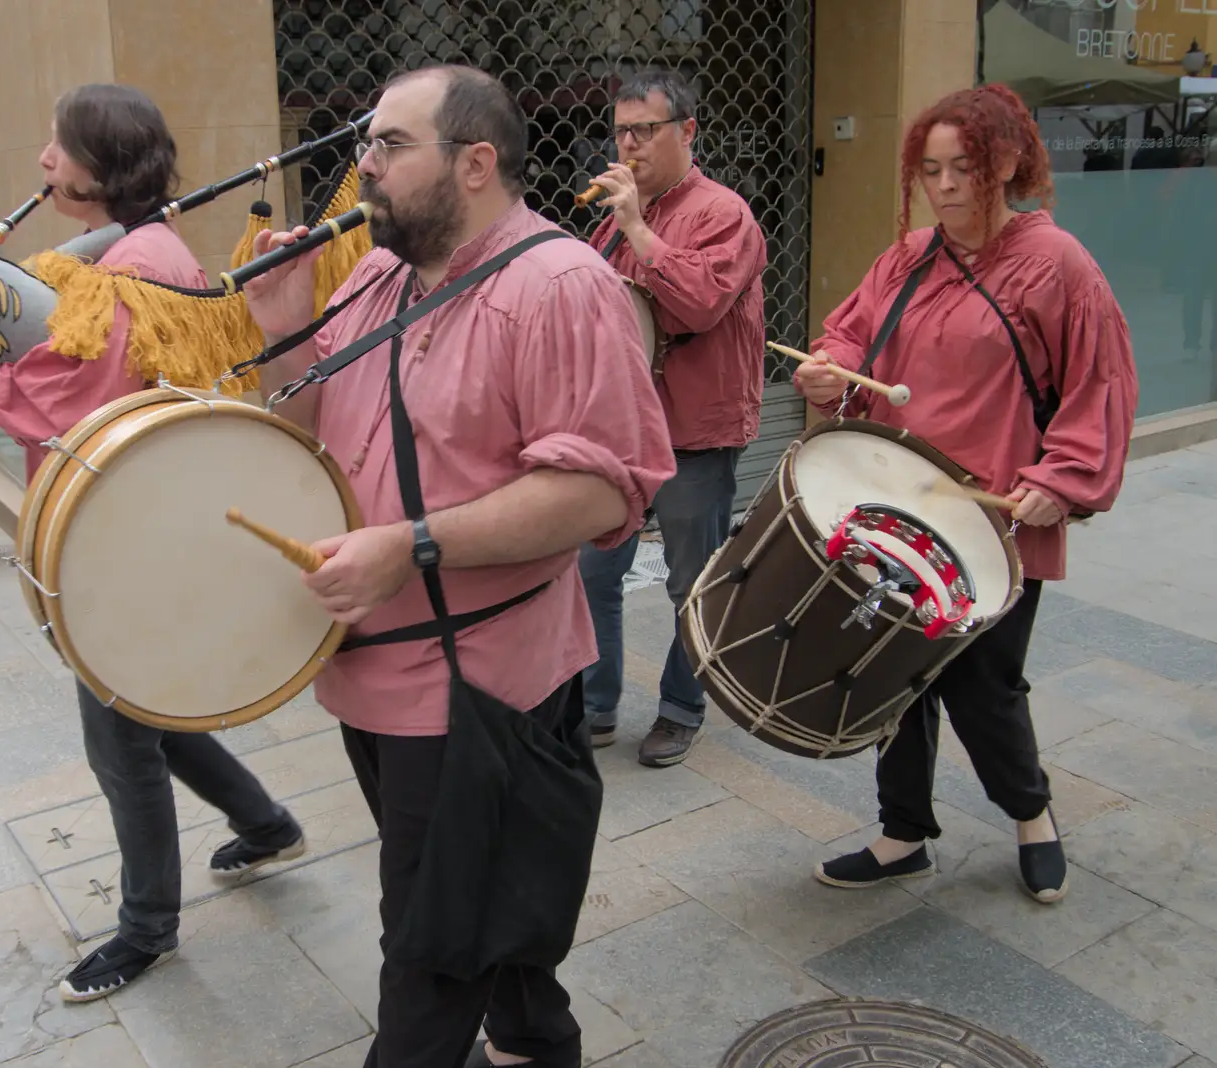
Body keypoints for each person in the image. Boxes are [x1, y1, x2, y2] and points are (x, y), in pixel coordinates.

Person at [243, 66, 674, 1068]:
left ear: (475, 163)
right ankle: (535, 1043)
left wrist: (410, 544)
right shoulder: (374, 275)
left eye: (390, 146)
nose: (364, 167)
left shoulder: (562, 286)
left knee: (430, 961)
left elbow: (602, 492)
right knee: (493, 905)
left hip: (481, 690)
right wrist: (277, 327)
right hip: (372, 673)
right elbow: (299, 428)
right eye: (366, 144)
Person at [0, 82, 306, 999]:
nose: (44, 161)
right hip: (134, 520)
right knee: (143, 702)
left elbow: (93, 399)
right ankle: (266, 821)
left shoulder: (134, 264)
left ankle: (146, 928)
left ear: (104, 166)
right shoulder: (133, 249)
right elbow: (71, 366)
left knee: (120, 731)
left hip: (127, 532)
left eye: (61, 146)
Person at [795, 83, 1138, 904]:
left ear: (1010, 163)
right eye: (932, 170)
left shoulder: (1057, 264)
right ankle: (902, 831)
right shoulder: (909, 256)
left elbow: (1102, 383)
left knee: (983, 686)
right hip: (897, 505)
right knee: (891, 676)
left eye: (964, 169)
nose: (945, 186)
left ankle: (1031, 814)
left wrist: (1062, 480)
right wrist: (827, 367)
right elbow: (850, 332)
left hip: (996, 521)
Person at [574, 69, 768, 766]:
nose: (629, 145)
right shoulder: (612, 215)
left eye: (644, 130)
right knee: (594, 570)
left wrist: (635, 225)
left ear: (687, 131)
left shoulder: (723, 214)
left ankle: (682, 708)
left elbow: (700, 303)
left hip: (695, 425)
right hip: (622, 427)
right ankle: (596, 706)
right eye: (621, 130)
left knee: (692, 579)